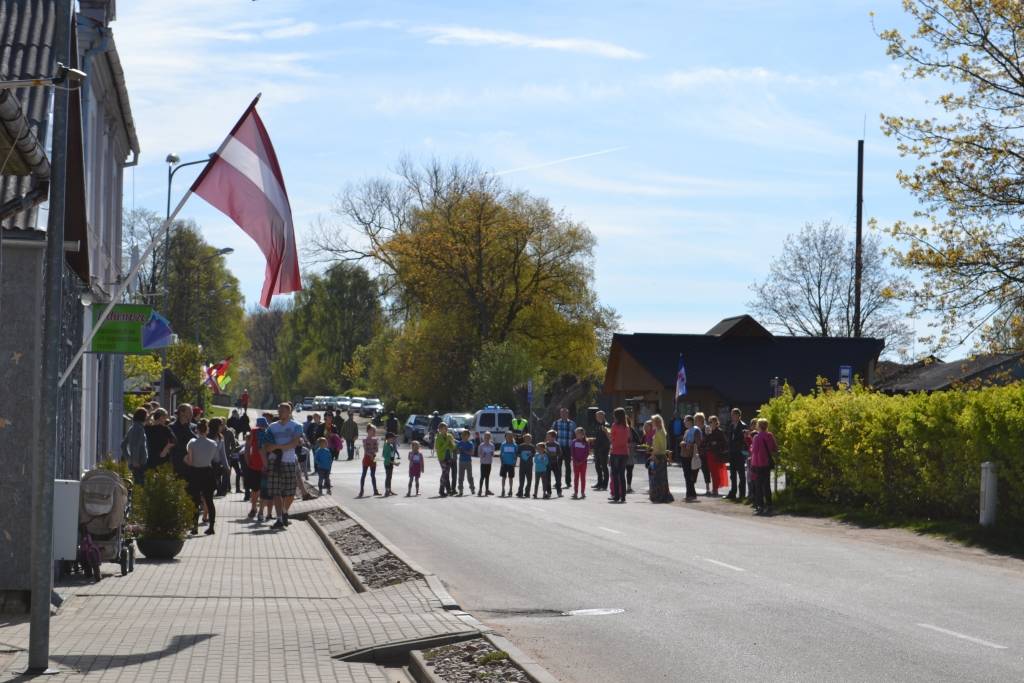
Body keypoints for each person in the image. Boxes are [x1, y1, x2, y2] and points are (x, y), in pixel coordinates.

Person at [266, 403, 304, 529]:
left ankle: (284, 511)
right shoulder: (271, 427)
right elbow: (267, 446)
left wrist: (277, 447)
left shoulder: (297, 426)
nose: (280, 412)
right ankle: (279, 518)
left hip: (289, 461)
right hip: (274, 461)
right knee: (276, 492)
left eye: (282, 410)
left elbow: (293, 444)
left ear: (289, 412)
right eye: (279, 410)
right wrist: (280, 447)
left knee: (290, 492)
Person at [185, 419, 219, 535]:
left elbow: (189, 461)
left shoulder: (192, 443)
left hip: (195, 472)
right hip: (208, 472)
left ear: (197, 430)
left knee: (195, 500)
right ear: (207, 430)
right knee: (209, 500)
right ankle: (212, 526)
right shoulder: (213, 443)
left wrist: (185, 460)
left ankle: (194, 527)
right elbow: (215, 458)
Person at [750, 418, 777, 515]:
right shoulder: (770, 436)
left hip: (757, 464)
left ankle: (760, 506)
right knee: (766, 485)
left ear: (758, 426)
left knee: (758, 486)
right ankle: (769, 505)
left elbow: (754, 451)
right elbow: (775, 448)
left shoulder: (756, 437)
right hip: (767, 463)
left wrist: (750, 446)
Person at [243, 418, 267, 520]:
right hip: (264, 466)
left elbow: (247, 448)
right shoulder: (267, 433)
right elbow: (247, 448)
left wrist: (248, 461)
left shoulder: (252, 432)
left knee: (255, 489)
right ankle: (259, 511)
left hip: (255, 465)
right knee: (262, 490)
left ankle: (255, 509)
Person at [648, 415, 674, 503]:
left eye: (653, 422)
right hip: (657, 455)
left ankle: (661, 496)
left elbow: (662, 447)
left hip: (659, 456)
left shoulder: (660, 432)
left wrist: (654, 454)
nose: (652, 423)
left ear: (657, 422)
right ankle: (659, 496)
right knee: (658, 478)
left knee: (660, 478)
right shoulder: (658, 431)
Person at [121, 407, 149, 485]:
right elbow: (136, 446)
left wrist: (129, 458)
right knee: (139, 485)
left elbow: (123, 445)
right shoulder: (139, 428)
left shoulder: (132, 428)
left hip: (136, 462)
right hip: (139, 463)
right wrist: (135, 461)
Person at [725, 408, 748, 500]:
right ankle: (733, 492)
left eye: (735, 414)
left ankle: (742, 494)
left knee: (741, 474)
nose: (733, 416)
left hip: (739, 453)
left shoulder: (743, 425)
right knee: (732, 474)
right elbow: (729, 439)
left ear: (739, 415)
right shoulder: (730, 426)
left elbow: (745, 440)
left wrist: (743, 451)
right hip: (732, 452)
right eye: (732, 414)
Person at [144, 407, 175, 473]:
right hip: (161, 458)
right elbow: (174, 440)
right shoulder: (165, 429)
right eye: (165, 417)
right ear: (161, 417)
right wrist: (165, 451)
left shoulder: (148, 428)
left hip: (151, 457)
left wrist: (151, 415)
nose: (166, 420)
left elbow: (173, 441)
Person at [609, 407, 631, 503]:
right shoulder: (627, 427)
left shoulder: (614, 426)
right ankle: (623, 496)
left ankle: (617, 495)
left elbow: (612, 439)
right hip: (624, 452)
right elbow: (627, 439)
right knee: (622, 475)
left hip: (616, 452)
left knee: (615, 474)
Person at [169, 403, 196, 480]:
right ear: (181, 412)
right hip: (176, 463)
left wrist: (188, 428)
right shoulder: (171, 427)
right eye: (189, 412)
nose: (191, 415)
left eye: (192, 413)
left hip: (190, 463)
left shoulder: (194, 427)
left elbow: (197, 442)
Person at [551, 408, 576, 490]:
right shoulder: (556, 423)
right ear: (560, 414)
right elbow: (552, 436)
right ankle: (558, 482)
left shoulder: (572, 424)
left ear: (568, 414)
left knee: (568, 466)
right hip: (558, 448)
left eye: (565, 413)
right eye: (562, 413)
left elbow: (575, 436)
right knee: (558, 466)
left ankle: (568, 482)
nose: (564, 414)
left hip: (568, 448)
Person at [704, 415, 729, 497]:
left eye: (712, 421)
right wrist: (707, 435)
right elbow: (705, 442)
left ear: (716, 422)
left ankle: (715, 489)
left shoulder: (719, 431)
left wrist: (716, 443)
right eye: (710, 422)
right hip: (710, 454)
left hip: (716, 454)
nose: (711, 423)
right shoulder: (709, 431)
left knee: (716, 473)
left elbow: (725, 443)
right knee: (712, 473)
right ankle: (714, 489)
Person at [681, 415, 701, 500]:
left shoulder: (696, 430)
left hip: (691, 455)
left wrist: (690, 445)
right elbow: (685, 441)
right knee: (687, 475)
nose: (684, 422)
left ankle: (691, 494)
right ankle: (689, 493)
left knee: (690, 475)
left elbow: (698, 443)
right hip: (684, 455)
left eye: (685, 421)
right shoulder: (686, 431)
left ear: (690, 421)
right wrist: (683, 443)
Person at [359, 424, 382, 497]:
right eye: (373, 430)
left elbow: (377, 450)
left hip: (373, 457)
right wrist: (371, 455)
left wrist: (374, 454)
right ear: (368, 431)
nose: (374, 432)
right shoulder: (365, 440)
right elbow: (366, 450)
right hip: (367, 457)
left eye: (375, 430)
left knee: (373, 475)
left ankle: (375, 490)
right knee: (364, 474)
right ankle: (361, 490)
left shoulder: (375, 440)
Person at [435, 423, 456, 497]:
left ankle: (448, 490)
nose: (446, 429)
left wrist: (451, 444)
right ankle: (441, 490)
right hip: (442, 458)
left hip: (449, 457)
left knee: (446, 474)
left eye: (446, 428)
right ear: (440, 429)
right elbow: (439, 449)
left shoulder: (449, 436)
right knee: (445, 473)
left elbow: (453, 447)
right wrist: (447, 443)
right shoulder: (438, 438)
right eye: (444, 428)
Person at [540, 430, 562, 497]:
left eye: (548, 436)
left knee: (558, 478)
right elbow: (542, 452)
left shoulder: (557, 445)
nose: (547, 437)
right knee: (547, 479)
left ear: (553, 437)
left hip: (555, 463)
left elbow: (560, 453)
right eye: (547, 436)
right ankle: (549, 492)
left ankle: (559, 492)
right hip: (547, 464)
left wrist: (556, 455)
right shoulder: (545, 445)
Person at [592, 411, 610, 491]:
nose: (597, 418)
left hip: (604, 448)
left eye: (598, 416)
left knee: (604, 466)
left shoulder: (606, 425)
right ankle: (599, 482)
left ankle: (604, 484)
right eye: (596, 416)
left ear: (603, 416)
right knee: (597, 466)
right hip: (597, 448)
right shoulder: (598, 425)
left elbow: (608, 436)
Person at [570, 427, 589, 499]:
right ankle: (575, 492)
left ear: (582, 434)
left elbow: (587, 453)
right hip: (575, 463)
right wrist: (575, 461)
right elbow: (572, 452)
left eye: (578, 433)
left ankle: (583, 492)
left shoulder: (586, 443)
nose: (576, 435)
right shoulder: (574, 442)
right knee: (576, 478)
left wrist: (581, 461)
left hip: (583, 463)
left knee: (583, 478)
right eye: (576, 434)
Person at [498, 431, 518, 497]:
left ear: (512, 436)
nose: (509, 437)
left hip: (511, 464)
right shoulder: (503, 444)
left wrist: (515, 462)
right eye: (508, 436)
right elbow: (501, 454)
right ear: (505, 437)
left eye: (511, 436)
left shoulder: (515, 445)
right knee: (503, 477)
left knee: (511, 478)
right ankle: (503, 490)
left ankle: (510, 490)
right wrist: (502, 462)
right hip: (504, 463)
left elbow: (516, 455)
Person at [457, 429, 476, 496]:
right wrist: (459, 450)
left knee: (469, 476)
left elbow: (471, 453)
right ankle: (460, 490)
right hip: (461, 461)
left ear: (468, 436)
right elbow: (457, 452)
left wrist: (464, 451)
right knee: (460, 477)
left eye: (466, 435)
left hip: (468, 462)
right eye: (463, 435)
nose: (464, 436)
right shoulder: (459, 443)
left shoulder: (470, 443)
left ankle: (472, 488)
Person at [516, 434, 535, 498]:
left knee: (529, 480)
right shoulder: (520, 446)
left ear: (531, 439)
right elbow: (517, 454)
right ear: (524, 439)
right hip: (522, 465)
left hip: (529, 465)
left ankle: (527, 492)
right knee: (521, 480)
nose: (528, 440)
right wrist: (521, 455)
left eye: (529, 439)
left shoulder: (532, 447)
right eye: (526, 438)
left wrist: (531, 454)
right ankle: (520, 492)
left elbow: (534, 454)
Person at [477, 431, 495, 496]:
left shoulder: (492, 445)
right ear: (483, 437)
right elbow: (479, 454)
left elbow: (493, 454)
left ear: (490, 438)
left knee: (487, 477)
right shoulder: (481, 445)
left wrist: (492, 453)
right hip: (483, 463)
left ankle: (487, 490)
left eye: (488, 437)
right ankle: (480, 490)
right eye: (485, 437)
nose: (487, 438)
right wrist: (482, 455)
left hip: (489, 463)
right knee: (482, 477)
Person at [382, 432, 398, 496]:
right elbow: (386, 457)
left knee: (390, 477)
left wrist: (393, 462)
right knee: (388, 477)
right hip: (387, 463)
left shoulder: (390, 445)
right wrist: (394, 463)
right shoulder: (386, 446)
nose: (394, 440)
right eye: (392, 438)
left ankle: (389, 490)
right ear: (388, 439)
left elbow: (391, 455)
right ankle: (387, 490)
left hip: (390, 463)